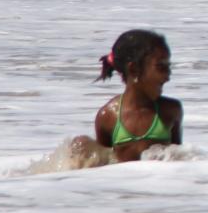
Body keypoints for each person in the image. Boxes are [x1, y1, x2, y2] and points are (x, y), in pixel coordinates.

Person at [65, 30, 183, 168]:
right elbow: (101, 169)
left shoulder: (170, 111)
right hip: (123, 186)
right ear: (134, 70)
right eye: (161, 67)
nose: (168, 75)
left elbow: (181, 165)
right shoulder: (108, 116)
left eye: (168, 67)